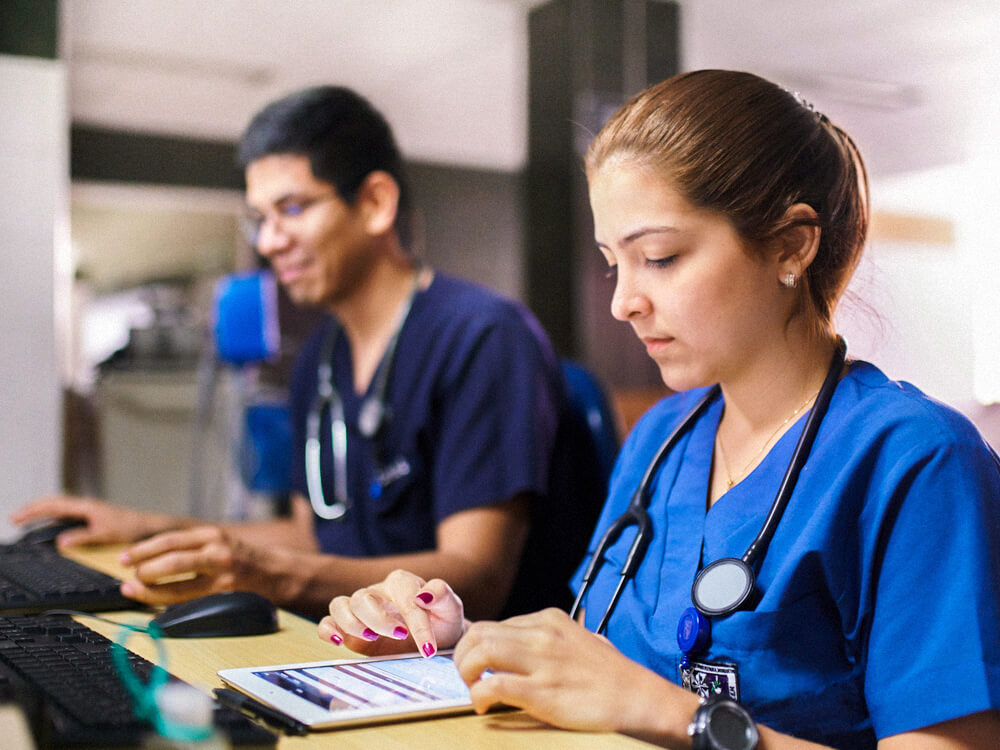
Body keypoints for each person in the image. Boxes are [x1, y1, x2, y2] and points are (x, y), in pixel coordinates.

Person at [317, 70, 1000, 748]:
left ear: (792, 244)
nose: (623, 303)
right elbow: (591, 672)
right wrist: (455, 644)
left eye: (661, 258)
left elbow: (630, 696)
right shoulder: (660, 440)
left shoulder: (917, 462)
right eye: (615, 263)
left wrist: (675, 716)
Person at [12, 86, 605, 624]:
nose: (270, 242)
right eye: (260, 219)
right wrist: (148, 528)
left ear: (374, 202)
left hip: (479, 675)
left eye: (292, 208)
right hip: (356, 651)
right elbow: (311, 533)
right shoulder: (321, 357)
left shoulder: (482, 336)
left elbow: (477, 579)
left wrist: (268, 575)